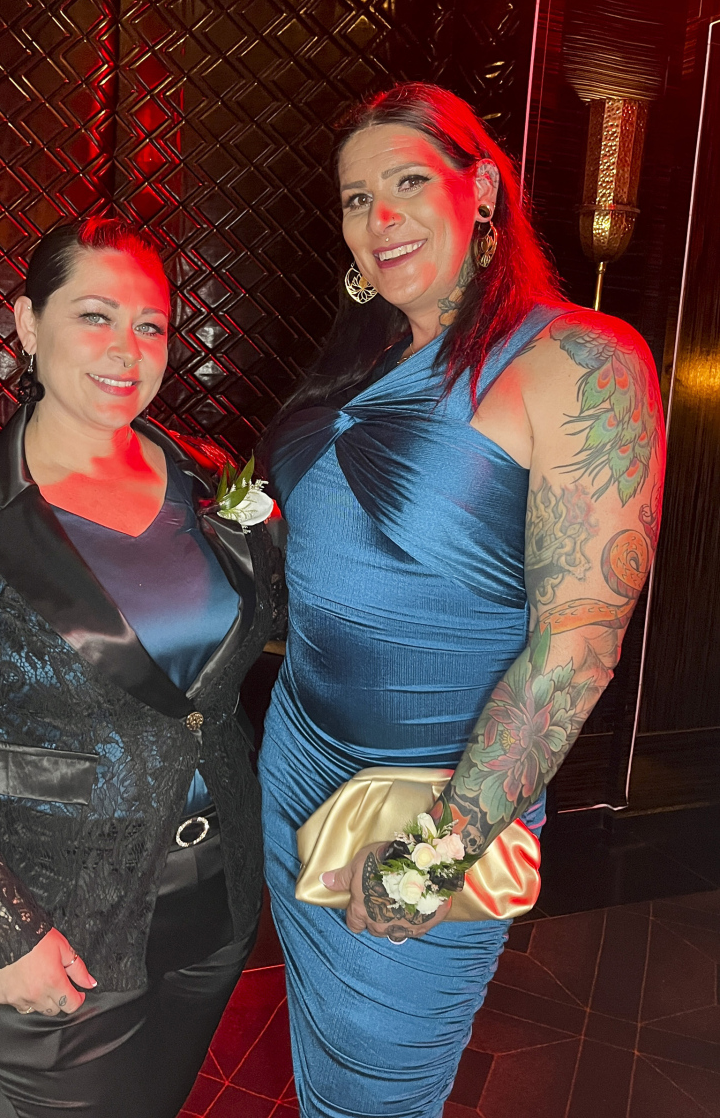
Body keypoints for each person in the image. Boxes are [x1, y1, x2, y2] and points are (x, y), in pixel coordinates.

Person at [259, 83, 665, 1117]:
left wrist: (436, 856)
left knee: (381, 1091)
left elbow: (578, 647)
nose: (379, 218)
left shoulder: (580, 359)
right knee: (321, 1062)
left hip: (434, 795)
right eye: (356, 199)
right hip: (299, 760)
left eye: (407, 182)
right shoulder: (360, 357)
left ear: (480, 188)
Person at [0, 218, 275, 1118]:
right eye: (95, 315)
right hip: (53, 924)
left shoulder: (207, 482)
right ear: (27, 324)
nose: (128, 349)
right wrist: (4, 930)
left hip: (215, 904)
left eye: (151, 324)